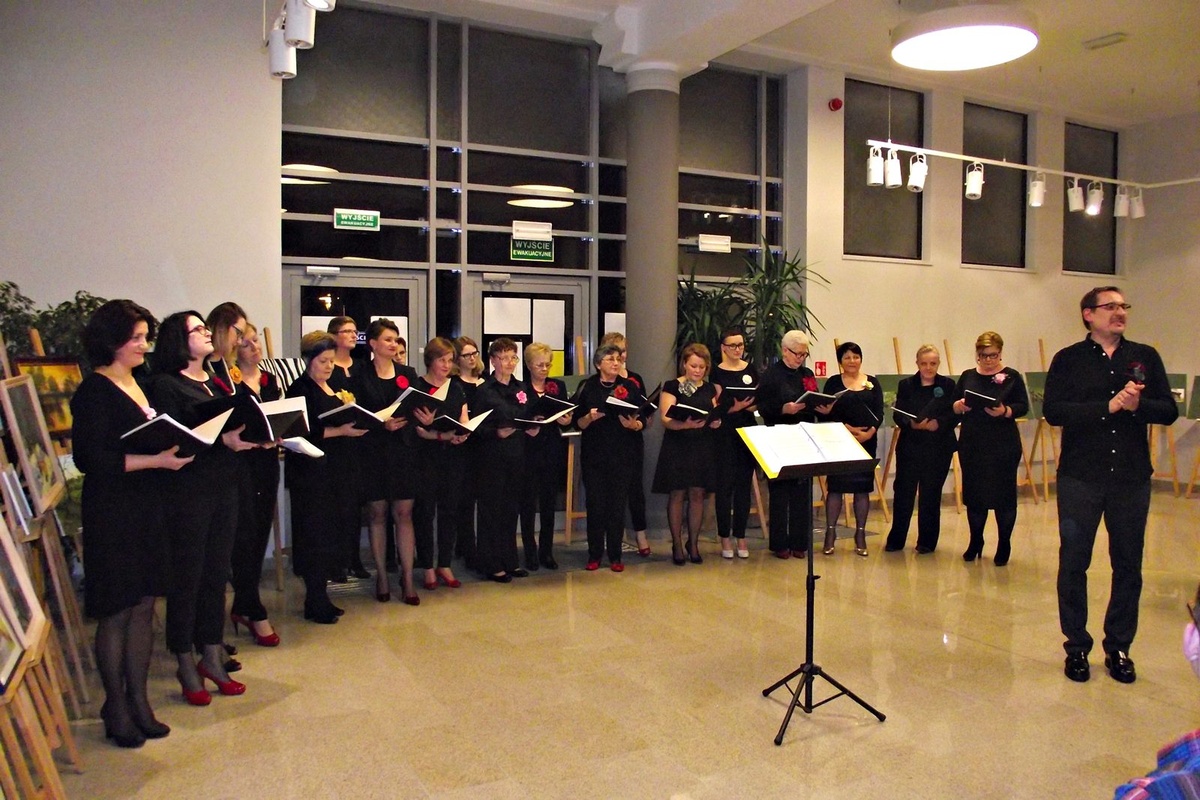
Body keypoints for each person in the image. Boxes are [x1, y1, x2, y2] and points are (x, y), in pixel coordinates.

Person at [1044, 287, 1177, 684]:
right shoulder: (1068, 359)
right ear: (1088, 314)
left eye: (1123, 306)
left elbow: (1169, 410)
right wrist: (1108, 407)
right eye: (1110, 306)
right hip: (1080, 477)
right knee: (1074, 563)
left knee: (1128, 565)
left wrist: (1138, 406)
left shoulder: (1145, 356)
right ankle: (1076, 647)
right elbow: (1054, 411)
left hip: (1131, 478)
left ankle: (1119, 647)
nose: (1120, 312)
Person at [73, 300, 188, 747]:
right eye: (136, 338)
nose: (144, 345)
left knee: (144, 604)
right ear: (113, 341)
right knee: (117, 608)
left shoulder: (140, 382)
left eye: (145, 337)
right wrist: (156, 460)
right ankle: (115, 705)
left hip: (148, 503)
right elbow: (90, 459)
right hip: (114, 509)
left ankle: (139, 699)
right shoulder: (94, 390)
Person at [150, 311, 259, 704]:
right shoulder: (165, 384)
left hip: (224, 486)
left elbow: (225, 427)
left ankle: (211, 654)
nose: (206, 333)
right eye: (197, 329)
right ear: (179, 341)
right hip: (188, 491)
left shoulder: (215, 380)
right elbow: (175, 439)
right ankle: (184, 659)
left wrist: (250, 435)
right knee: (188, 578)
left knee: (216, 575)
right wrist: (222, 442)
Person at [285, 331, 368, 622]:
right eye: (323, 361)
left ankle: (322, 595)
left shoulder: (334, 386)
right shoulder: (300, 389)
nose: (329, 366)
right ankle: (315, 598)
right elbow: (300, 430)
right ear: (308, 360)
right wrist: (340, 430)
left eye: (332, 360)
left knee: (331, 534)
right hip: (311, 474)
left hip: (336, 470)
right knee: (314, 536)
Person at [350, 319, 419, 605]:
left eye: (395, 339)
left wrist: (424, 417)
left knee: (404, 514)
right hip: (373, 452)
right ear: (373, 343)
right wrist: (381, 425)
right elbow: (355, 415)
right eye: (388, 339)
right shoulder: (359, 374)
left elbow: (416, 407)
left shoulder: (408, 373)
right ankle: (381, 575)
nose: (393, 344)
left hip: (403, 451)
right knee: (377, 515)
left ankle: (407, 578)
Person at [951, 331, 1029, 566]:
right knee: (975, 496)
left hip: (1003, 444)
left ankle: (1004, 543)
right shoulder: (967, 376)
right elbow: (953, 405)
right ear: (977, 354)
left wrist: (1005, 411)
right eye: (983, 355)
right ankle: (976, 540)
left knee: (1004, 496)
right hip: (973, 443)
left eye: (993, 355)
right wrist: (958, 406)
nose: (988, 360)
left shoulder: (1012, 376)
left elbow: (1023, 406)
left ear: (1000, 353)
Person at [228, 321, 283, 646]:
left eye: (256, 341)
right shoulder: (228, 381)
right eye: (246, 343)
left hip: (267, 460)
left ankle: (243, 604)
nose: (254, 347)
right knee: (244, 535)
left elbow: (276, 415)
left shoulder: (269, 379)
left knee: (260, 530)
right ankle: (252, 607)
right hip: (241, 462)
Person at [573, 343, 648, 571]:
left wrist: (634, 424)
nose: (616, 363)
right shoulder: (587, 387)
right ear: (598, 364)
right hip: (594, 455)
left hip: (622, 454)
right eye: (610, 359)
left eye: (618, 359)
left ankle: (615, 556)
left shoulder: (629, 386)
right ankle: (594, 554)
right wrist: (589, 418)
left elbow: (644, 415)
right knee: (595, 504)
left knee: (617, 505)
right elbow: (577, 422)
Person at [472, 337, 539, 582]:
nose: (509, 363)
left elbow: (529, 414)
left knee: (511, 509)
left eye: (513, 357)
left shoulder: (521, 388)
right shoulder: (484, 390)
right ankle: (491, 563)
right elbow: (475, 427)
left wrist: (535, 425)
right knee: (492, 510)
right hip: (491, 457)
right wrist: (495, 432)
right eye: (503, 358)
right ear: (492, 361)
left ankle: (510, 560)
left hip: (517, 455)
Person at [884, 344, 958, 554]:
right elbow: (898, 413)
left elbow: (954, 413)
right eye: (924, 363)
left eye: (933, 363)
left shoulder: (948, 385)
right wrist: (912, 424)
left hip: (938, 447)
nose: (928, 367)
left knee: (931, 495)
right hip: (911, 447)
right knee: (904, 493)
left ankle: (927, 542)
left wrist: (938, 424)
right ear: (917, 363)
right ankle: (896, 539)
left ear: (938, 363)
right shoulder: (907, 385)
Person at [652, 343, 721, 565]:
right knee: (677, 494)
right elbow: (665, 418)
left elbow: (714, 412)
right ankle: (677, 543)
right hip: (678, 445)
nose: (697, 370)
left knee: (698, 493)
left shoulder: (709, 389)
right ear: (684, 364)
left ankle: (694, 543)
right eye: (693, 366)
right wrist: (685, 425)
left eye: (701, 367)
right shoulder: (672, 386)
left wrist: (716, 421)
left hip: (702, 445)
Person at [411, 337, 471, 590]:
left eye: (450, 360)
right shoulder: (418, 387)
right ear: (430, 361)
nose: (446, 365)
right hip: (425, 458)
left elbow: (464, 419)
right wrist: (437, 435)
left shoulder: (455, 387)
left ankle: (444, 563)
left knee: (450, 510)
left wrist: (463, 432)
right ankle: (427, 565)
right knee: (425, 512)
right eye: (441, 360)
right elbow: (417, 429)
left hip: (453, 456)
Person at [815, 341, 884, 557]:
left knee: (862, 489)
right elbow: (826, 411)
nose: (852, 361)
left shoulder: (872, 382)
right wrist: (844, 428)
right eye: (847, 357)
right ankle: (830, 533)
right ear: (840, 361)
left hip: (865, 441)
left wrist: (870, 432)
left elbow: (879, 412)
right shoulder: (833, 382)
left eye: (856, 356)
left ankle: (860, 534)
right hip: (840, 440)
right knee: (835, 488)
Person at [756, 330, 818, 558]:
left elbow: (813, 397)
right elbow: (762, 407)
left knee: (802, 491)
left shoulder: (807, 374)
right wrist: (783, 409)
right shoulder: (771, 375)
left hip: (803, 436)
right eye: (796, 353)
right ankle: (780, 544)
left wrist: (822, 406)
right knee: (780, 492)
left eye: (804, 354)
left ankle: (800, 543)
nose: (800, 358)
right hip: (779, 437)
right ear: (784, 351)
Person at [518, 341, 572, 571]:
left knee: (549, 502)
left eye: (547, 365)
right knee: (528, 503)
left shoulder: (557, 386)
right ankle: (530, 551)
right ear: (529, 365)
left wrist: (565, 419)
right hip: (528, 450)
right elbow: (517, 418)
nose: (544, 369)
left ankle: (546, 551)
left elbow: (566, 413)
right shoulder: (520, 389)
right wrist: (529, 423)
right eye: (539, 365)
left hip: (551, 448)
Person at [599, 331, 652, 557]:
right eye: (614, 352)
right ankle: (610, 536)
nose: (619, 357)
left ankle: (640, 534)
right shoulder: (599, 380)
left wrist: (637, 424)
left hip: (631, 441)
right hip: (606, 444)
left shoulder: (635, 379)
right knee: (607, 493)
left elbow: (647, 413)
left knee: (635, 490)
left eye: (623, 351)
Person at [710, 327, 759, 559]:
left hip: (747, 430)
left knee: (743, 486)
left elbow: (759, 397)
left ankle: (741, 535)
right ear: (723, 348)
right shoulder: (716, 372)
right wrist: (734, 406)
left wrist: (753, 404)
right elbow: (717, 404)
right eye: (733, 345)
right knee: (725, 486)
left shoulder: (750, 369)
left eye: (740, 345)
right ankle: (724, 536)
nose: (738, 349)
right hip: (725, 431)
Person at [451, 336, 485, 570]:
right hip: (462, 445)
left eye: (475, 353)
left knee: (480, 497)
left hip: (483, 444)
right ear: (457, 359)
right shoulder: (453, 383)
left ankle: (477, 546)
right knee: (464, 500)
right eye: (466, 355)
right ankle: (466, 546)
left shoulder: (485, 381)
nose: (472, 358)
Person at [326, 315, 360, 392]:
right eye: (347, 331)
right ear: (333, 335)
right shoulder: (325, 367)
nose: (354, 336)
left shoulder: (362, 366)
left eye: (355, 332)